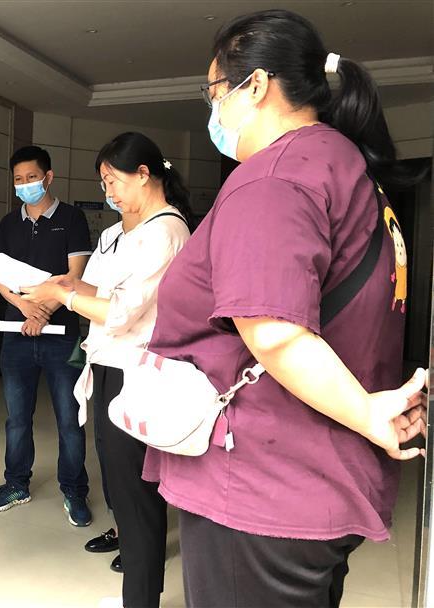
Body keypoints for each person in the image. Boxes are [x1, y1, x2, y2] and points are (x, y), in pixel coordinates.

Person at [142, 9, 428, 607]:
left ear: (255, 86)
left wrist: (368, 414)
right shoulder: (344, 164)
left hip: (263, 485)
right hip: (317, 480)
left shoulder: (271, 178)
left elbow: (272, 331)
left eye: (214, 92)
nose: (213, 110)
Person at [22, 132, 191, 607]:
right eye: (103, 183)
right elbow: (93, 287)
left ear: (144, 174)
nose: (108, 192)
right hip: (108, 366)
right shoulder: (118, 233)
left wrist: (63, 295)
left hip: (141, 370)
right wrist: (61, 285)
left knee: (136, 490)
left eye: (113, 180)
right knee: (120, 481)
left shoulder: (167, 232)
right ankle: (138, 581)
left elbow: (120, 312)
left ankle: (141, 595)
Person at [0, 145, 94, 527]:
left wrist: (43, 310)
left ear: (48, 177)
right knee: (17, 418)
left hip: (62, 335)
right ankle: (16, 484)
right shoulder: (8, 224)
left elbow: (75, 275)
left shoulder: (72, 218)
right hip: (16, 333)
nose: (25, 184)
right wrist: (23, 307)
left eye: (31, 177)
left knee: (70, 418)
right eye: (18, 179)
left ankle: (74, 490)